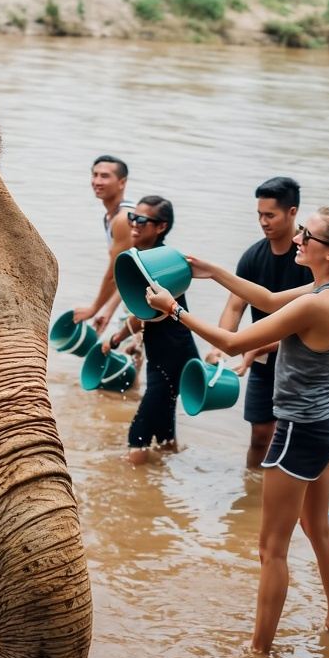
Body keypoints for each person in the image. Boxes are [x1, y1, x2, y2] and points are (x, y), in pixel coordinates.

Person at [145, 206, 329, 653]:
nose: (298, 239)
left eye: (307, 235)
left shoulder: (316, 302)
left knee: (271, 550)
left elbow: (232, 343)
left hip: (300, 431)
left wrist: (173, 309)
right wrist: (215, 272)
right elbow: (268, 302)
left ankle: (259, 652)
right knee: (318, 528)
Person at [206, 177, 313, 470]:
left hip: (300, 362)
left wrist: (250, 348)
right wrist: (219, 345)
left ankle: (279, 491)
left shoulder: (309, 258)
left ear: (292, 212)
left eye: (270, 215)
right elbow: (234, 305)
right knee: (259, 435)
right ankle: (251, 490)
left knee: (284, 435)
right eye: (259, 215)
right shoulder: (253, 257)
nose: (263, 222)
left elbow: (304, 326)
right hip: (263, 360)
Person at [103, 196, 199, 465]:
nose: (134, 224)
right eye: (133, 218)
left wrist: (117, 337)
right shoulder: (154, 258)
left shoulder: (160, 264)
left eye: (142, 221)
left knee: (138, 437)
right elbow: (151, 316)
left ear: (161, 227)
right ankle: (162, 489)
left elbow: (146, 312)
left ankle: (134, 491)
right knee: (165, 434)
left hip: (172, 357)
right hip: (168, 354)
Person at [73, 156, 135, 335]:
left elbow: (114, 274)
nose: (97, 181)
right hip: (137, 294)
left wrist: (93, 309)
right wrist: (108, 310)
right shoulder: (112, 216)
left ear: (122, 182)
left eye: (105, 176)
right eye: (95, 175)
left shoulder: (124, 219)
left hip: (151, 300)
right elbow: (129, 272)